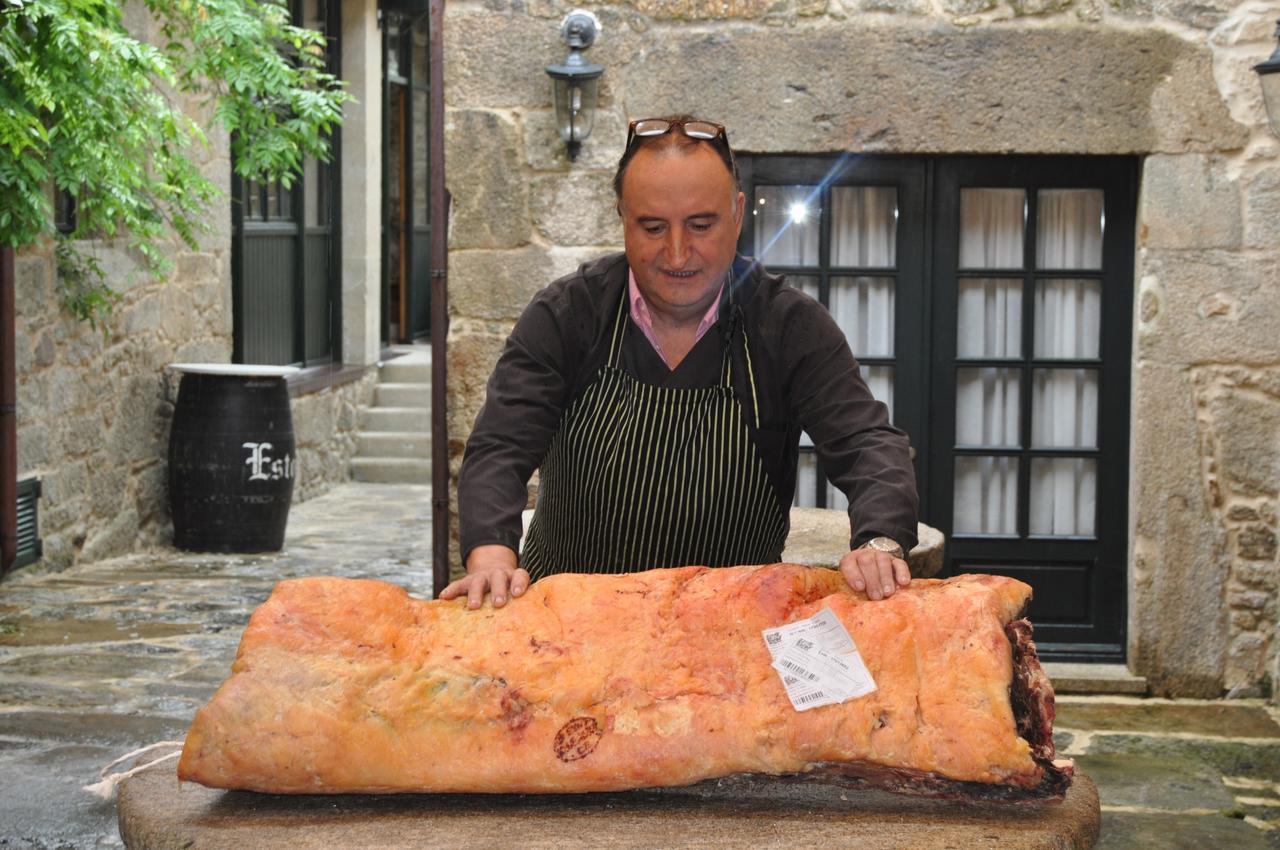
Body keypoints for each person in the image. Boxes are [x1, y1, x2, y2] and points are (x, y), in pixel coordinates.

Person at [441, 116, 918, 610]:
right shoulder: (569, 315)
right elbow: (500, 445)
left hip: (729, 628)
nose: (677, 252)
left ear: (737, 214)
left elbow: (866, 443)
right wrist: (491, 557)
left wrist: (879, 540)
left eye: (700, 224)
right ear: (622, 217)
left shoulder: (789, 326)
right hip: (568, 623)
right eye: (652, 226)